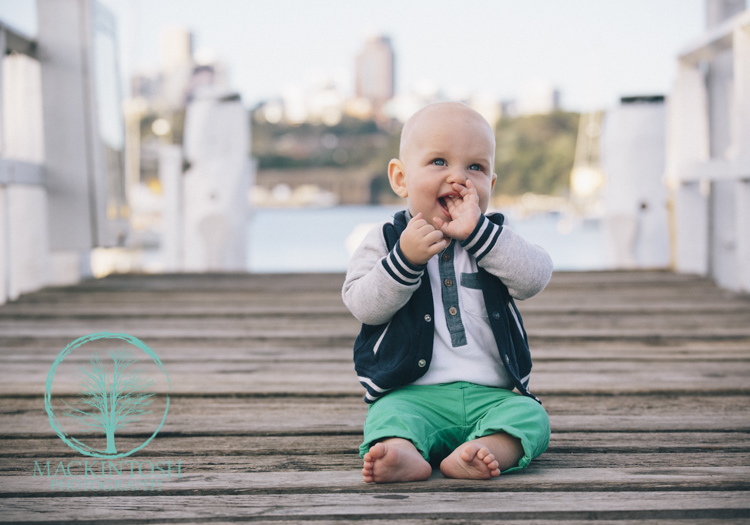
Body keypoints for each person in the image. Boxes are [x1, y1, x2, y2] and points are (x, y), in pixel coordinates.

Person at [342, 101, 553, 483]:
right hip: (412, 394)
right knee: (387, 417)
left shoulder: (494, 241)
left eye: (476, 167)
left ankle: (486, 449)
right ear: (401, 178)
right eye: (439, 161)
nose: (458, 178)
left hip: (491, 396)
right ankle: (402, 453)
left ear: (490, 185)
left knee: (532, 417)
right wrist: (404, 259)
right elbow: (362, 305)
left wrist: (479, 236)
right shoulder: (386, 241)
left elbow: (534, 277)